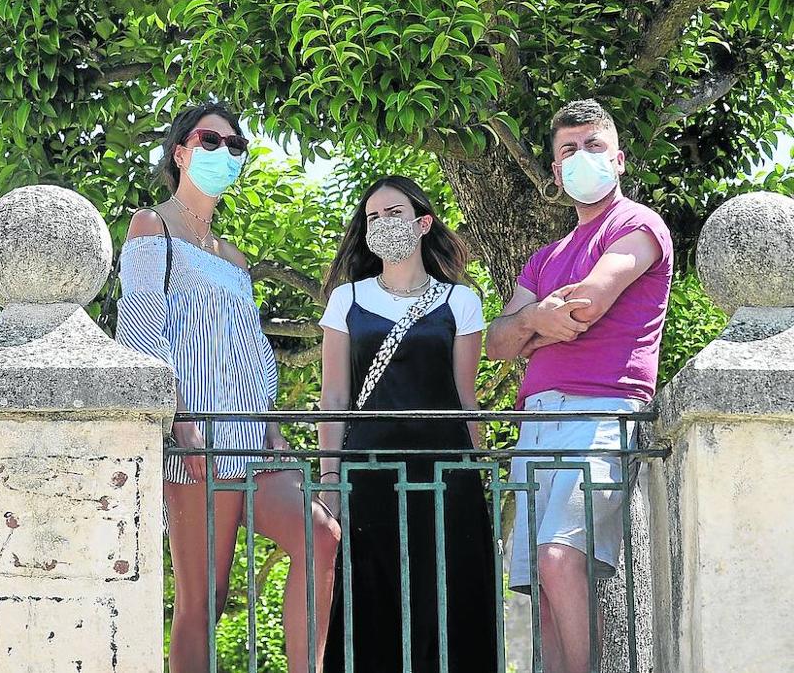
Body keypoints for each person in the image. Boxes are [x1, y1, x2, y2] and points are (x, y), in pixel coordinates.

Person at [114, 103, 340, 673]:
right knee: (205, 601)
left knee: (321, 538)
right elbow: (141, 327)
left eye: (235, 146)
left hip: (254, 441)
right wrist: (178, 420)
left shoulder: (233, 257)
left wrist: (269, 423)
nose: (224, 152)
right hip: (196, 439)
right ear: (181, 151)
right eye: (209, 140)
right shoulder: (151, 227)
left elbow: (250, 350)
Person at [485, 99, 673, 673]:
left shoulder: (638, 224)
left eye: (593, 145)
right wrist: (534, 324)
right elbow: (496, 344)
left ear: (618, 159)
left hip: (601, 411)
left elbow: (585, 305)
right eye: (568, 150)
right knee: (538, 582)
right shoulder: (544, 258)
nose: (580, 157)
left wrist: (532, 327)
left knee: (559, 556)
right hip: (536, 421)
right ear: (555, 169)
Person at [317, 175, 498, 672]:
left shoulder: (460, 301)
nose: (381, 223)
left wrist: (480, 479)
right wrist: (330, 480)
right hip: (369, 475)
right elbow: (334, 397)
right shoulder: (345, 300)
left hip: (446, 476)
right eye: (372, 216)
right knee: (370, 606)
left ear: (423, 223)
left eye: (393, 212)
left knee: (450, 603)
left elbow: (466, 399)